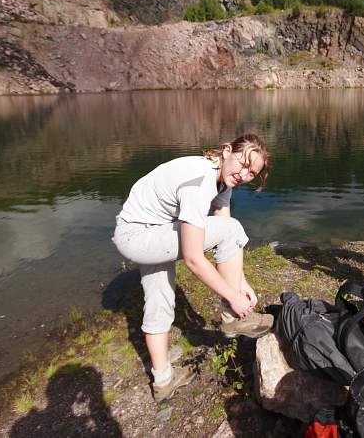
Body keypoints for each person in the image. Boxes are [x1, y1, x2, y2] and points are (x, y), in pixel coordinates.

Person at [112, 134, 274, 402]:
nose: (244, 175)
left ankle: (163, 380)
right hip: (141, 234)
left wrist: (241, 281)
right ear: (226, 151)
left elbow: (226, 235)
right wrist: (234, 298)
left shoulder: (221, 178)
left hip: (144, 231)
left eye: (252, 172)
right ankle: (233, 319)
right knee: (231, 230)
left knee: (160, 297)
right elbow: (194, 258)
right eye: (243, 164)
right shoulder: (199, 182)